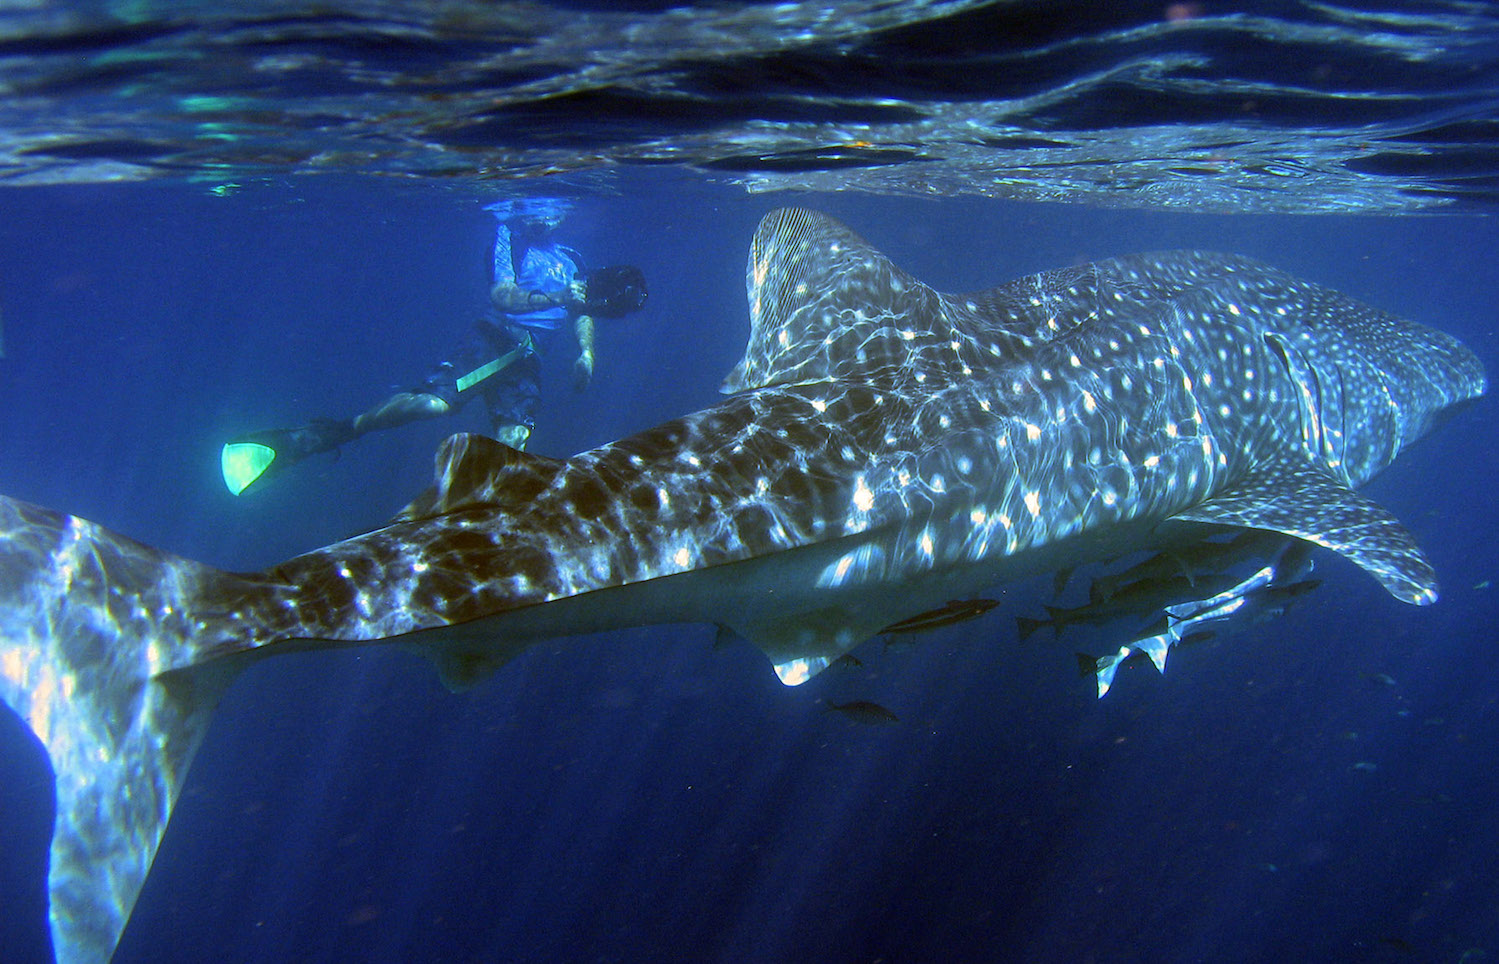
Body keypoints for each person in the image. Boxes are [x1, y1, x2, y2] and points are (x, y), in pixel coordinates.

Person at [220, 202, 648, 496]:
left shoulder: (571, 255)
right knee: (431, 406)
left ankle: (470, 515)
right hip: (493, 339)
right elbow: (502, 295)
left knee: (514, 441)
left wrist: (586, 352)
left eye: (555, 212)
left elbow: (584, 308)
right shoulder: (507, 238)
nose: (546, 218)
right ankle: (326, 434)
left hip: (529, 358)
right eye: (538, 210)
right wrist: (556, 298)